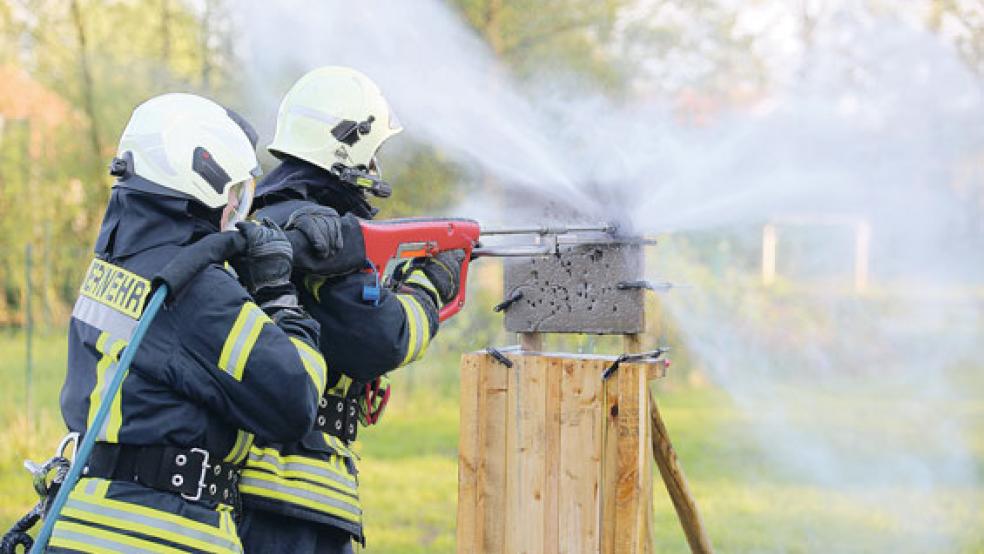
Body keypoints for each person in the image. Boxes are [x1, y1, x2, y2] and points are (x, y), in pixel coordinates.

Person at [50, 93, 328, 553]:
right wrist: (279, 295)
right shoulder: (199, 291)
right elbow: (295, 402)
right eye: (235, 194)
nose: (236, 210)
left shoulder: (110, 267)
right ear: (204, 178)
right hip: (162, 531)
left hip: (80, 523)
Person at [236, 66, 465, 553]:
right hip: (289, 489)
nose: (376, 166)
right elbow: (380, 339)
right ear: (349, 146)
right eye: (374, 151)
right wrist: (430, 286)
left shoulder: (268, 219)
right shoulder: (324, 235)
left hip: (261, 484)